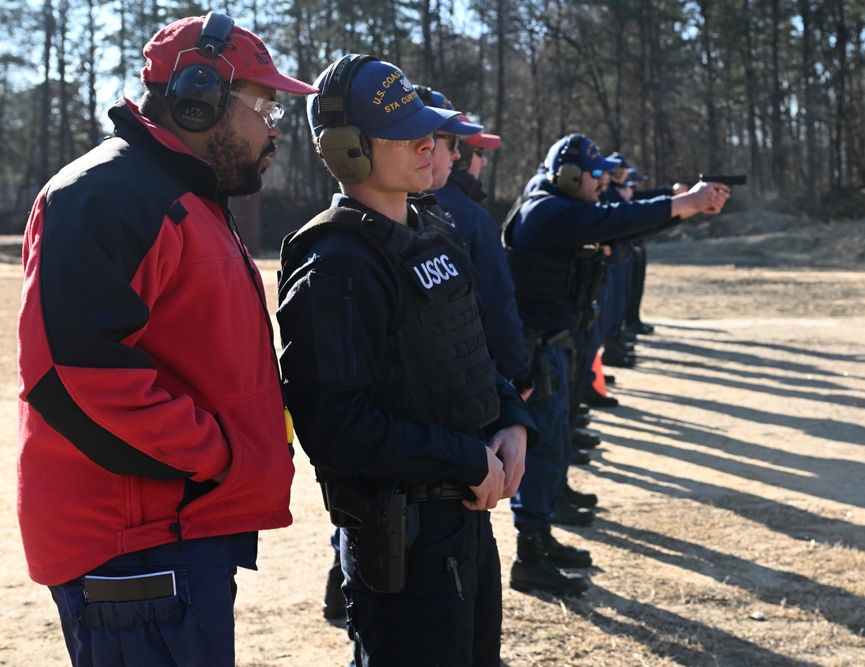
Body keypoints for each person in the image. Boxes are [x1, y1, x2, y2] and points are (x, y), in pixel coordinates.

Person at [16, 12, 316, 666]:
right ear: (197, 96)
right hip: (139, 547)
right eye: (265, 106)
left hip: (175, 532)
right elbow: (74, 377)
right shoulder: (108, 196)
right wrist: (218, 455)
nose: (275, 129)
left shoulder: (183, 196)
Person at [277, 54, 536, 666]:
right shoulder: (336, 265)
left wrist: (510, 417)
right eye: (407, 132)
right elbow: (336, 427)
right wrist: (464, 457)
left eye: (430, 129)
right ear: (349, 150)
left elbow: (465, 350)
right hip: (404, 538)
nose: (430, 144)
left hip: (464, 520)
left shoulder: (431, 230)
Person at [503, 133, 730, 595]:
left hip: (555, 346)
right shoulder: (545, 211)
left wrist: (681, 207)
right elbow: (613, 219)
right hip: (540, 350)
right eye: (595, 173)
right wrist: (680, 202)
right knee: (544, 452)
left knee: (557, 445)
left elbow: (619, 224)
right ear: (569, 175)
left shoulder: (560, 209)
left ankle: (541, 538)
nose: (602, 181)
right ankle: (529, 556)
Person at [429, 115, 535, 398]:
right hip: (473, 379)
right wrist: (520, 370)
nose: (483, 162)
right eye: (478, 152)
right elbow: (498, 303)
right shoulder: (472, 217)